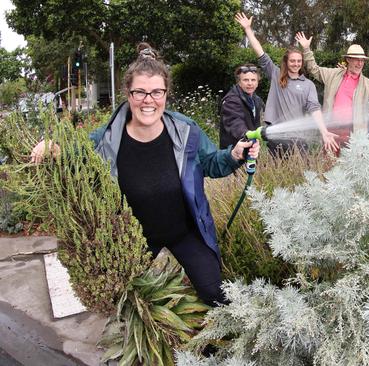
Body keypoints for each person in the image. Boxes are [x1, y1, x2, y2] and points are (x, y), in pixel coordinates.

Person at [31, 43, 260, 306]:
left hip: (185, 230)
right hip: (133, 238)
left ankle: (211, 344)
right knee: (125, 300)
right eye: (140, 92)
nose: (148, 100)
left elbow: (211, 163)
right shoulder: (108, 137)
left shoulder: (186, 131)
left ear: (166, 94)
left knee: (215, 294)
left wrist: (234, 155)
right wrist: (53, 148)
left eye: (156, 92)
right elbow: (77, 155)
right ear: (128, 94)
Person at [235, 13, 338, 156]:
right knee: (278, 175)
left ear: (302, 63)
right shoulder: (276, 75)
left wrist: (324, 131)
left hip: (299, 139)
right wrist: (248, 29)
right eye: (292, 61)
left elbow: (314, 109)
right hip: (277, 138)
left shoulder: (308, 85)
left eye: (299, 61)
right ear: (286, 62)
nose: (296, 64)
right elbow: (261, 53)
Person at [219, 63, 265, 149]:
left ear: (258, 82)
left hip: (251, 150)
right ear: (239, 82)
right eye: (246, 80)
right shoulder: (231, 100)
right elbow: (235, 122)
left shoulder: (257, 100)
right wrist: (246, 133)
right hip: (232, 153)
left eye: (253, 80)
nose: (250, 83)